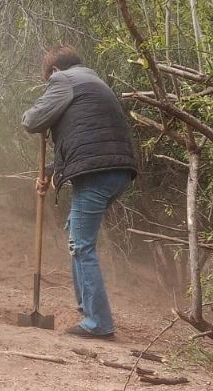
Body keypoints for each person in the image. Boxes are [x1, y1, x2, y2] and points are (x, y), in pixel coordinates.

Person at [22, 45, 137, 340]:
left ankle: (97, 322)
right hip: (116, 169)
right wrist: (49, 171)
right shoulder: (94, 83)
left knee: (81, 245)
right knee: (76, 232)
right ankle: (88, 311)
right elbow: (86, 139)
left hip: (96, 173)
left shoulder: (63, 81)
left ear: (56, 70)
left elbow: (32, 121)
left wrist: (37, 109)